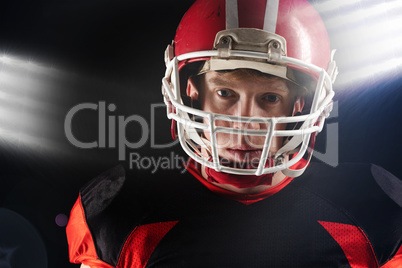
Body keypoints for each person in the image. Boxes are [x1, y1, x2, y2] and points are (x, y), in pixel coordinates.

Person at [66, 0, 402, 267]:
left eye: (269, 97)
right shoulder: (121, 210)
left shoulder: (374, 211)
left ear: (301, 103)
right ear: (191, 91)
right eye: (226, 93)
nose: (245, 122)